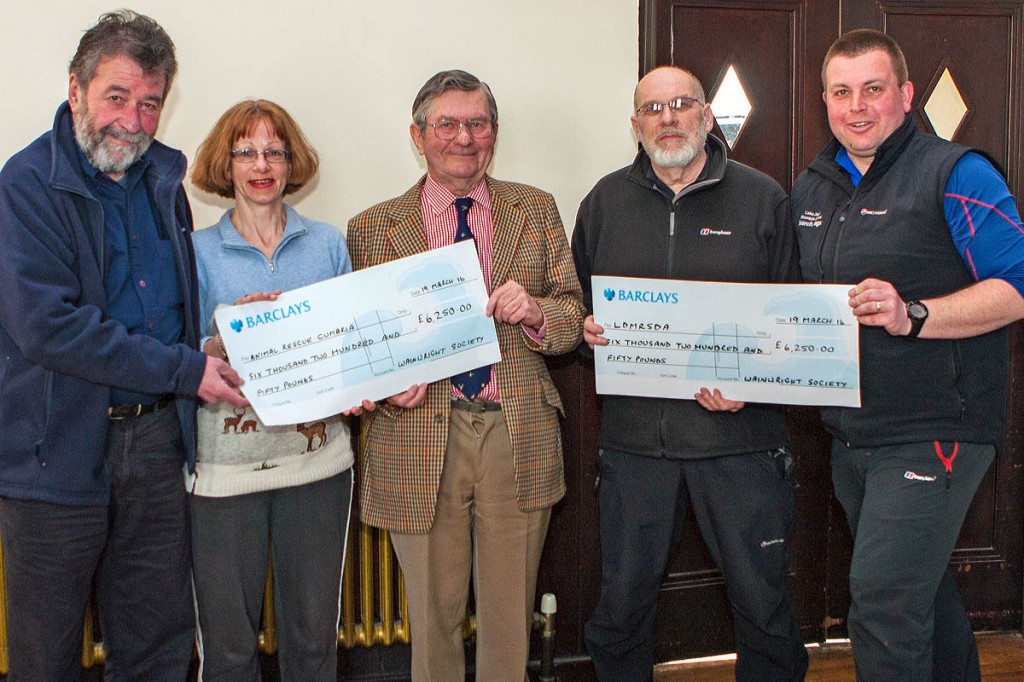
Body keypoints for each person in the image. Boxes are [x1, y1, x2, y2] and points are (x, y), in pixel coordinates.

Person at [0, 10, 248, 682]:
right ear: (75, 90)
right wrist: (185, 367)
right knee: (46, 659)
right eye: (117, 98)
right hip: (56, 456)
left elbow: (163, 319)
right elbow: (49, 327)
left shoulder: (165, 182)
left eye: (150, 104)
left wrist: (225, 344)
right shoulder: (24, 186)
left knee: (157, 650)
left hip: (157, 449)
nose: (134, 123)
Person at [792, 29, 1024, 682]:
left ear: (905, 95)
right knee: (922, 596)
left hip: (935, 431)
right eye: (841, 92)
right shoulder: (812, 191)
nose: (857, 106)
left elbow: (1017, 285)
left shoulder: (957, 173)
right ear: (825, 100)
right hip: (852, 435)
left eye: (873, 88)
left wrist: (913, 315)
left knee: (885, 604)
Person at [572, 65, 808, 682]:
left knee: (763, 605)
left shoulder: (764, 199)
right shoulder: (602, 203)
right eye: (653, 108)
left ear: (706, 116)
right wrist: (587, 332)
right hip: (633, 448)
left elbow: (795, 321)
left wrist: (752, 385)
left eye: (682, 104)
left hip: (742, 443)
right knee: (621, 608)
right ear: (635, 124)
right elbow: (579, 313)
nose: (668, 117)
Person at [347, 69, 584, 682]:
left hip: (516, 434)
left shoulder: (535, 210)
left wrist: (535, 312)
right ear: (418, 135)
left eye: (477, 124)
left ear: (494, 133)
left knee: (510, 621)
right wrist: (383, 382)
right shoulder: (372, 227)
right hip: (418, 435)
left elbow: (572, 315)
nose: (463, 137)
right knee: (432, 620)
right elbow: (359, 349)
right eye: (446, 124)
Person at [188, 99, 357, 681]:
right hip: (222, 472)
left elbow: (350, 350)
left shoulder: (329, 245)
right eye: (246, 152)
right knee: (229, 651)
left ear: (291, 163)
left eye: (274, 152)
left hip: (316, 468)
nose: (261, 165)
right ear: (225, 164)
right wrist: (223, 337)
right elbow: (178, 356)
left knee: (313, 646)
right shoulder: (195, 253)